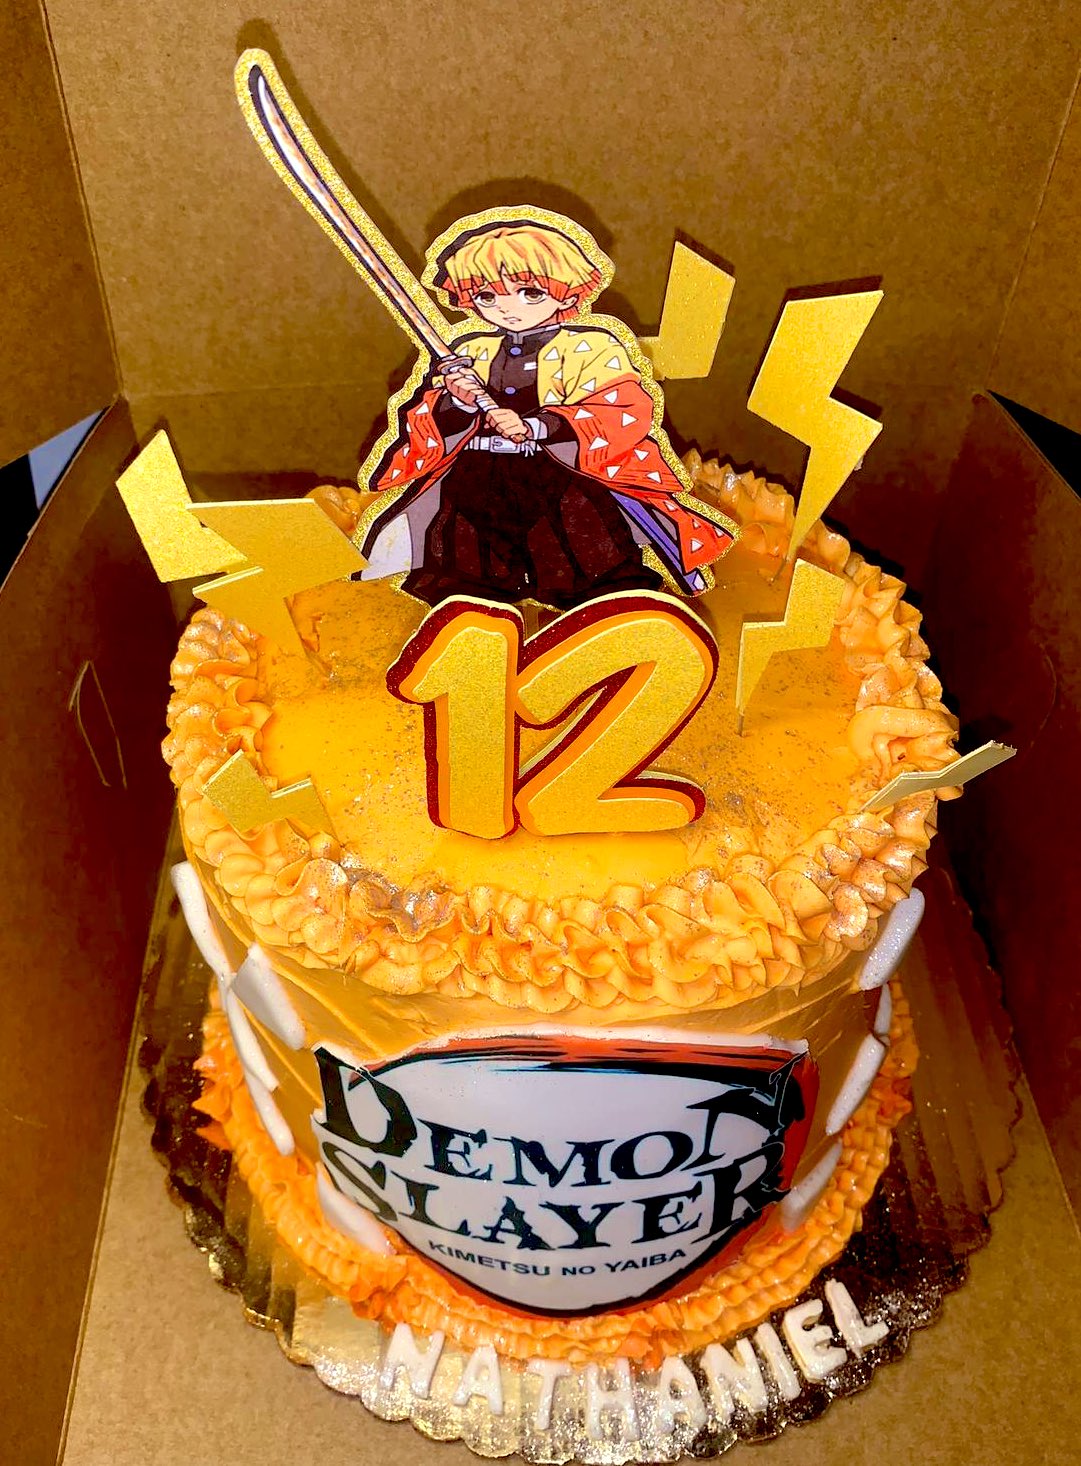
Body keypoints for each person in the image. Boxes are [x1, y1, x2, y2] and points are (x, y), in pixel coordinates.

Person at [356, 211, 736, 608]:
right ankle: (471, 618)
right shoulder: (467, 352)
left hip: (562, 479)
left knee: (580, 566)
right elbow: (426, 424)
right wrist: (457, 403)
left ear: (568, 294)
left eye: (530, 293)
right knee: (469, 571)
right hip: (476, 480)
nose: (507, 308)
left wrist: (539, 427)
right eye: (487, 297)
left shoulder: (591, 348)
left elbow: (621, 411)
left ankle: (603, 617)